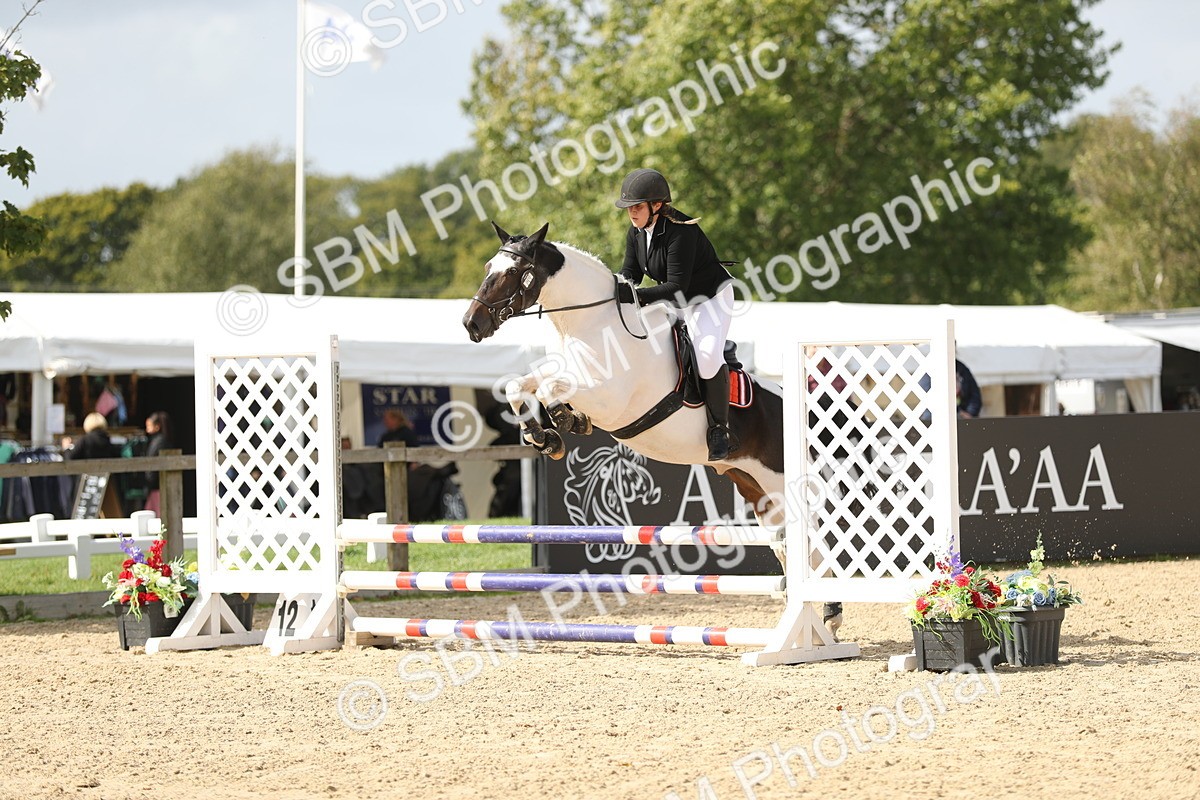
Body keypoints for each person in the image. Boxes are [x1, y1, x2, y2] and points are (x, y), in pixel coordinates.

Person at [613, 167, 738, 461]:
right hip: (676, 302)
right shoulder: (637, 232)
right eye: (629, 208)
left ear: (656, 206)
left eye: (637, 207)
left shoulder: (681, 231)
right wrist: (611, 292)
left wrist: (636, 297)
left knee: (706, 357)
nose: (632, 213)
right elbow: (629, 274)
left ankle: (720, 429)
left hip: (709, 299)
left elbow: (675, 286)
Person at [143, 411, 173, 514]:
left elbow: (151, 462)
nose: (147, 430)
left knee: (156, 514)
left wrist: (148, 482)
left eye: (149, 426)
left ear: (157, 427)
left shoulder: (158, 442)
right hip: (159, 484)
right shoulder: (162, 440)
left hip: (156, 486)